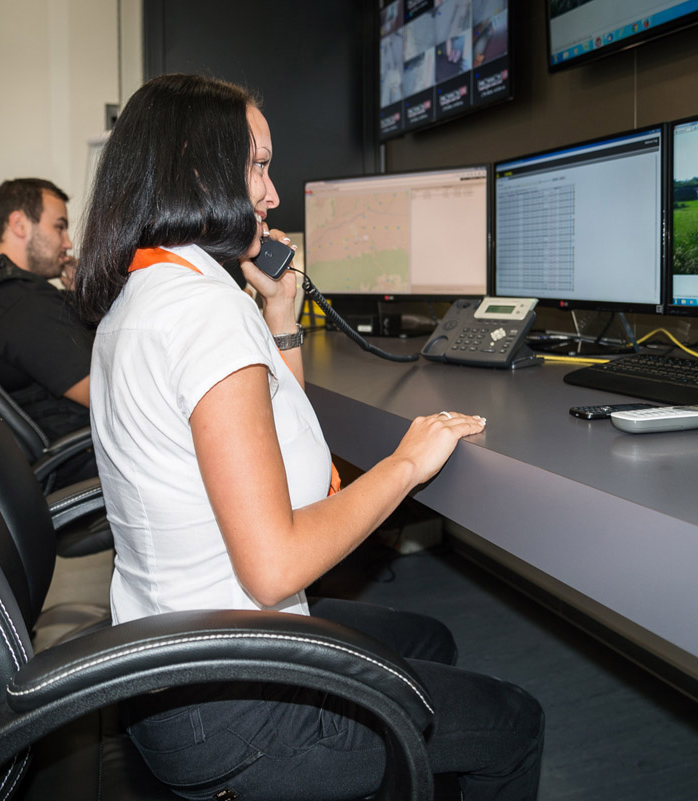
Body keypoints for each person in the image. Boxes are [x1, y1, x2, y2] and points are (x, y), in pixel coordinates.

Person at [76, 73, 544, 800]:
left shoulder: (151, 294)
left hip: (167, 666)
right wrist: (404, 465)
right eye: (258, 166)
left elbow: (276, 431)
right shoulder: (204, 315)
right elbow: (274, 566)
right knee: (514, 722)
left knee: (429, 640)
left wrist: (280, 314)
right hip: (235, 709)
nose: (271, 194)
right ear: (199, 168)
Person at [0, 178, 96, 488]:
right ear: (19, 224)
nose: (68, 243)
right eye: (59, 227)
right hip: (83, 466)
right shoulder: (21, 302)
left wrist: (85, 296)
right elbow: (111, 397)